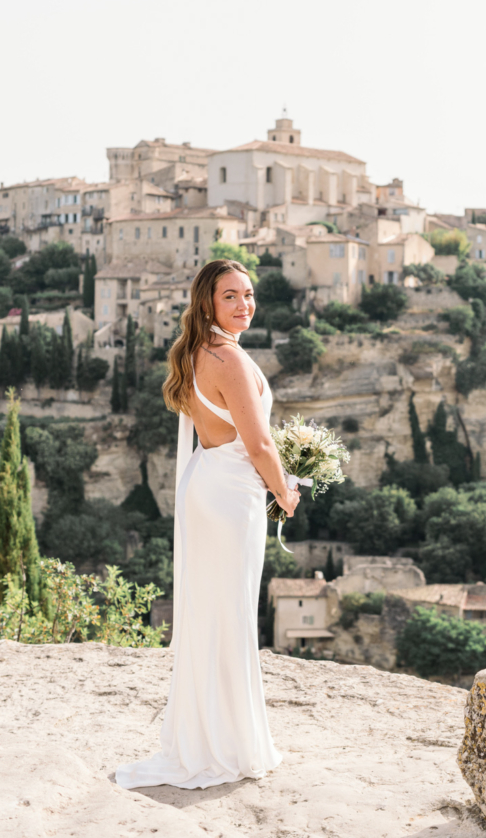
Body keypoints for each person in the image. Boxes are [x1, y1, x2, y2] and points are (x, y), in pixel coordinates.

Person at [116, 259, 299, 790]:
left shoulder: (198, 353)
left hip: (211, 485)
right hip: (231, 495)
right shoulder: (229, 359)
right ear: (207, 304)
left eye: (248, 295)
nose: (244, 305)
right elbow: (260, 443)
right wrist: (285, 491)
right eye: (230, 297)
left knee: (214, 613)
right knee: (231, 613)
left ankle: (211, 733)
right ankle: (228, 745)